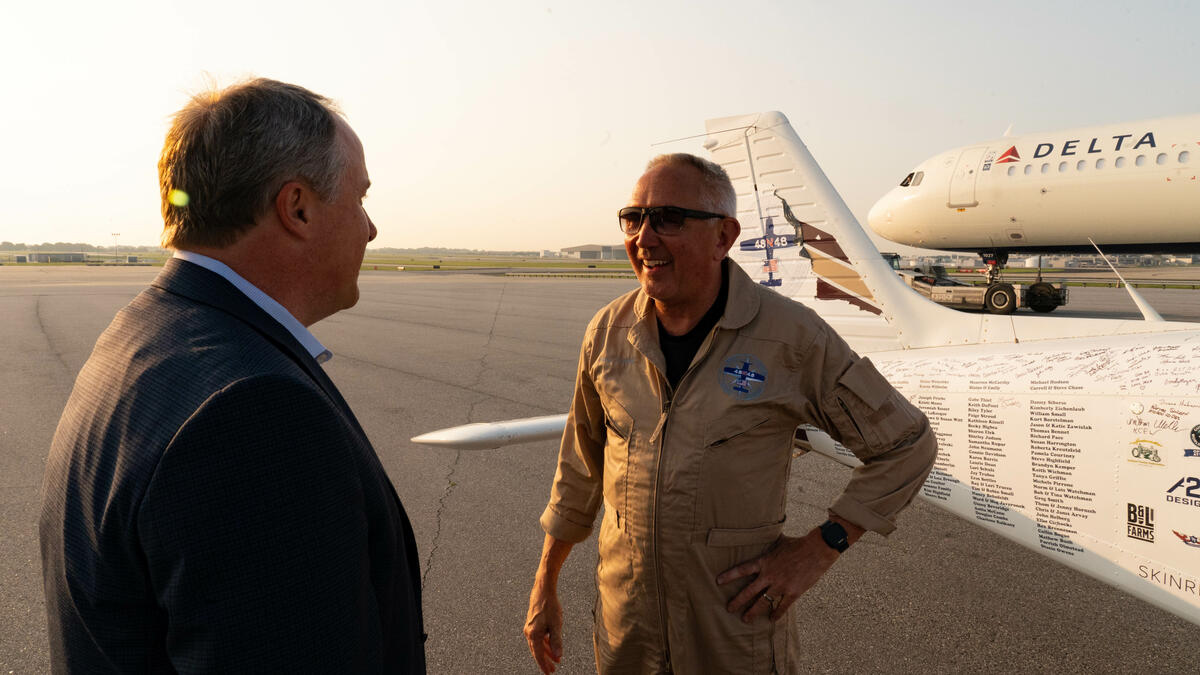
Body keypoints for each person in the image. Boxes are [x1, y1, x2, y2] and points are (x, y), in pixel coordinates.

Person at [39, 79, 426, 672]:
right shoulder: (253, 414)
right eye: (360, 199)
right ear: (296, 207)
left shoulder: (142, 334)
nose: (370, 229)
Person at [523, 153, 937, 673]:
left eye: (669, 219)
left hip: (732, 636)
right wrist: (545, 582)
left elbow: (907, 445)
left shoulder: (792, 337)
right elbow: (579, 470)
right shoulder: (608, 333)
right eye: (634, 218)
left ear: (723, 237)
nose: (644, 239)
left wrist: (821, 547)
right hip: (627, 634)